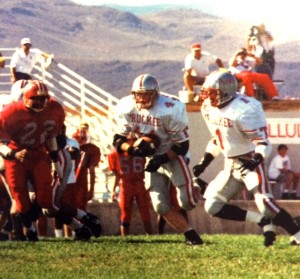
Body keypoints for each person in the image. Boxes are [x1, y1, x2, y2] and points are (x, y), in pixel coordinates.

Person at [193, 70, 300, 246]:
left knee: (265, 203)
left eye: (213, 93)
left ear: (226, 91)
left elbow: (263, 143)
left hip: (250, 160)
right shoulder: (208, 107)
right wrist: (205, 161)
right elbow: (218, 138)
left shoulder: (243, 109)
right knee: (212, 206)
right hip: (231, 164)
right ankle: (263, 221)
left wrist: (255, 160)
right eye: (207, 92)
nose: (208, 96)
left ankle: (297, 233)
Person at [113, 73, 203, 245]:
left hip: (173, 154)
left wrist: (161, 159)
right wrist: (132, 150)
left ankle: (197, 185)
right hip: (152, 156)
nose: (141, 98)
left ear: (155, 93)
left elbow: (182, 146)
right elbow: (118, 141)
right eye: (138, 94)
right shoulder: (126, 106)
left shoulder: (170, 107)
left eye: (146, 94)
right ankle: (191, 235)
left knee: (188, 203)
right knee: (160, 205)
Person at [0, 80, 91, 241]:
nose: (40, 102)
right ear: (24, 98)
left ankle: (81, 223)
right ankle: (30, 231)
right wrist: (14, 154)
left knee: (46, 201)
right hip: (15, 157)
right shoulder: (10, 113)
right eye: (35, 98)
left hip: (40, 155)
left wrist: (55, 162)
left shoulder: (54, 109)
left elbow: (52, 138)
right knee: (21, 202)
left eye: (43, 99)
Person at [108, 144, 153, 236]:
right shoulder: (115, 155)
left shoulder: (114, 154)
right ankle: (127, 236)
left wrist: (113, 190)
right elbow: (116, 175)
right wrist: (113, 190)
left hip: (135, 184)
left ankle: (148, 234)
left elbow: (116, 175)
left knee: (143, 211)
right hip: (129, 184)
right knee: (127, 212)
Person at [72, 126, 101, 211]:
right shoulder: (90, 148)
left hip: (71, 184)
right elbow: (92, 171)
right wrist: (91, 190)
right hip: (79, 185)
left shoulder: (66, 147)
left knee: (67, 214)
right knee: (78, 213)